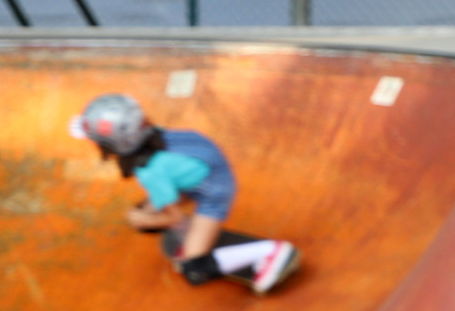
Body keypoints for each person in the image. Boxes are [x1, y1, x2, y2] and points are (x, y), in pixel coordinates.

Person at [71, 92, 299, 295]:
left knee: (194, 267)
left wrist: (145, 220)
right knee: (149, 210)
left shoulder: (150, 170)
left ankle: (271, 252)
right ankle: (195, 234)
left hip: (213, 190)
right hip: (203, 163)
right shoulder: (152, 134)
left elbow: (175, 217)